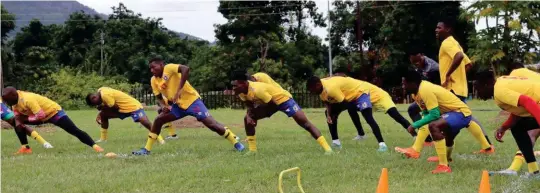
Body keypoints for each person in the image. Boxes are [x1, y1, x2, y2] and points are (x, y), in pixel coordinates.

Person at [402, 19, 494, 155]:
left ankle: (423, 150)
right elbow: (468, 64)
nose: (436, 30)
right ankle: (487, 146)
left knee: (439, 118)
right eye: (436, 28)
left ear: (448, 29)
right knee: (466, 118)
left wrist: (448, 75)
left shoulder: (447, 43)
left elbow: (459, 56)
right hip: (459, 87)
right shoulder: (455, 43)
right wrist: (459, 77)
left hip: (452, 89)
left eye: (439, 28)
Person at [132, 58, 244, 155]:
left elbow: (185, 69)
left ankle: (236, 142)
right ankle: (146, 150)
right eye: (150, 69)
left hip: (192, 101)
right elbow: (158, 96)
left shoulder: (169, 68)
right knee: (158, 120)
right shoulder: (153, 80)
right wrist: (164, 105)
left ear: (161, 65)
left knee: (211, 124)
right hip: (177, 106)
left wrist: (179, 89)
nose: (152, 70)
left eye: (154, 67)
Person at [232, 70, 332, 154]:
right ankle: (253, 151)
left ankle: (328, 149)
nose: (233, 89)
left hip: (283, 99)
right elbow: (250, 106)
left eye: (235, 86)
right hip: (268, 102)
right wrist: (251, 116)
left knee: (304, 123)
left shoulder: (258, 89)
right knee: (247, 119)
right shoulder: (241, 93)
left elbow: (273, 104)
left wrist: (264, 113)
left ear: (244, 83)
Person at [307, 76, 415, 152]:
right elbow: (329, 102)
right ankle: (339, 142)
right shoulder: (322, 89)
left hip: (368, 94)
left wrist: (334, 114)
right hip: (354, 97)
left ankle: (411, 136)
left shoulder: (331, 88)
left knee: (393, 114)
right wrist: (330, 115)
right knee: (335, 112)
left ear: (317, 85)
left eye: (312, 90)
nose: (311, 93)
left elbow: (345, 104)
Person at [402, 70, 480, 174]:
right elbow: (426, 113)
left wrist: (414, 125)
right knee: (446, 135)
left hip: (461, 113)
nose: (403, 86)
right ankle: (445, 158)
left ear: (413, 83)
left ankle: (443, 166)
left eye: (404, 83)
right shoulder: (415, 94)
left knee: (434, 126)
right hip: (451, 113)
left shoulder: (425, 89)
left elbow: (434, 114)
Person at [475, 71, 540, 178]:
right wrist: (504, 127)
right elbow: (518, 111)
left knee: (519, 127)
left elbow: (528, 102)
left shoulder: (499, 91)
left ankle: (534, 171)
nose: (478, 94)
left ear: (486, 85)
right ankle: (534, 171)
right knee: (518, 127)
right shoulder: (501, 82)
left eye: (478, 90)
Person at [2, 87, 103, 152]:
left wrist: (27, 118)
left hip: (54, 113)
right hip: (40, 117)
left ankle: (95, 147)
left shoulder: (28, 99)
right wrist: (19, 120)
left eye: (7, 100)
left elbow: (40, 115)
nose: (6, 103)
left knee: (74, 130)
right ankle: (25, 147)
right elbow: (18, 116)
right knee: (17, 122)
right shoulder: (14, 103)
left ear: (14, 96)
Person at [85, 87, 165, 144]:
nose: (97, 105)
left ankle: (160, 139)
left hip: (133, 107)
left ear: (94, 97)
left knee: (145, 121)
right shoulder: (101, 89)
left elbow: (114, 107)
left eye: (95, 103)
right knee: (103, 115)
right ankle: (103, 139)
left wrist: (102, 108)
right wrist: (102, 111)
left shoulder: (105, 95)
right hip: (122, 109)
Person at [407, 50, 441, 146]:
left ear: (422, 55)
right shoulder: (417, 67)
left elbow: (439, 86)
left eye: (418, 61)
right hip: (427, 95)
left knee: (435, 115)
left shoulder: (433, 68)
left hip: (437, 96)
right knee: (413, 109)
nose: (416, 64)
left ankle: (442, 140)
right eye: (414, 62)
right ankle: (428, 140)